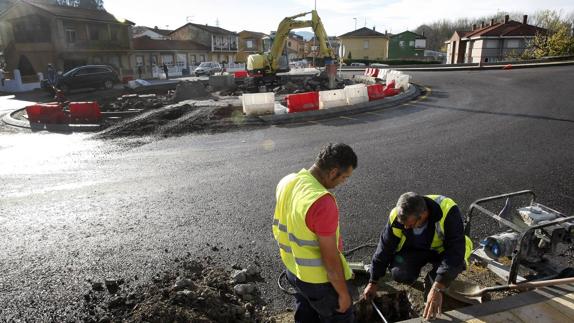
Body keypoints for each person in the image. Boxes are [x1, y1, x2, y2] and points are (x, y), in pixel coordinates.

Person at [273, 143, 358, 323]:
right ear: (333, 171)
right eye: (344, 177)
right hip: (317, 281)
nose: (344, 182)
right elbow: (330, 258)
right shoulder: (322, 202)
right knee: (341, 315)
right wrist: (343, 294)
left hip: (293, 270)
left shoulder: (289, 181)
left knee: (306, 312)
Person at [363, 192, 473, 320]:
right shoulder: (398, 217)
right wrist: (373, 280)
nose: (405, 227)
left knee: (439, 279)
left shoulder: (448, 210)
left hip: (444, 250)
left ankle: (435, 283)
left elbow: (455, 252)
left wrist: (438, 287)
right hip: (417, 249)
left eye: (409, 224)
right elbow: (384, 249)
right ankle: (426, 281)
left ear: (423, 215)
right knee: (400, 274)